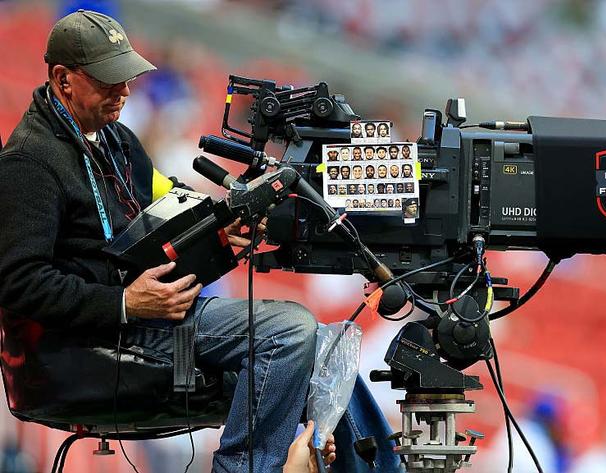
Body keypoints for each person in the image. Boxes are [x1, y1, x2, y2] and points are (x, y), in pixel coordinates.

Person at [0, 10, 399, 473]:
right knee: (291, 331)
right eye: (108, 80)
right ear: (62, 79)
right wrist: (125, 303)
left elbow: (162, 213)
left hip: (151, 320)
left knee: (325, 358)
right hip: (98, 340)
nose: (124, 90)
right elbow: (17, 283)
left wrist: (219, 230)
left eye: (126, 77)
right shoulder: (28, 162)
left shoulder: (116, 140)